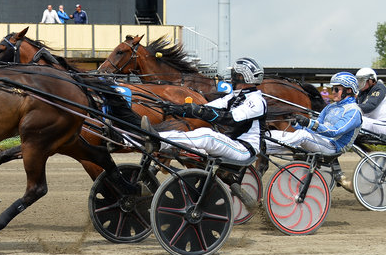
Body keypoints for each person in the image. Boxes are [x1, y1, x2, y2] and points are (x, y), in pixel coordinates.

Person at [143, 57, 268, 209]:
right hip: (233, 144)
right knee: (190, 149)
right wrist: (176, 109)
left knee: (207, 136)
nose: (232, 77)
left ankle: (157, 139)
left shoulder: (255, 100)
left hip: (244, 149)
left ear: (241, 77)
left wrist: (201, 111)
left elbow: (230, 119)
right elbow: (208, 108)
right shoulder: (234, 97)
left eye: (234, 74)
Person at [267, 72, 363, 192]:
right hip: (319, 140)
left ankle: (265, 148)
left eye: (336, 89)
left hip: (333, 146)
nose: (332, 91)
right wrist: (296, 124)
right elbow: (315, 126)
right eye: (332, 88)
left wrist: (309, 123)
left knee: (303, 136)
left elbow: (336, 131)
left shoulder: (353, 112)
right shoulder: (330, 107)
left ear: (349, 90)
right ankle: (264, 143)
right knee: (273, 134)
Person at [355, 67, 386, 135]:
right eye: (358, 81)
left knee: (356, 119)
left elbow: (370, 106)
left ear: (371, 80)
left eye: (362, 81)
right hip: (373, 123)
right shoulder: (362, 92)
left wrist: (350, 108)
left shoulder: (379, 88)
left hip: (382, 124)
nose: (359, 83)